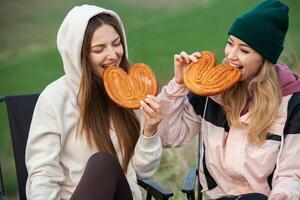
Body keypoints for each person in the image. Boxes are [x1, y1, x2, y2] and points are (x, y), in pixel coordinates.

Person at [157, 0, 300, 199]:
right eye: (230, 43)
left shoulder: (292, 103)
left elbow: (292, 173)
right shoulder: (212, 90)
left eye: (244, 50)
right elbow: (169, 137)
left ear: (264, 58)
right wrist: (179, 85)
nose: (231, 55)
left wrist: (283, 194)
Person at [25, 4, 164, 200]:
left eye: (117, 43)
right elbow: (43, 175)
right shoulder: (54, 98)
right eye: (99, 49)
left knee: (103, 163)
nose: (113, 54)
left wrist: (150, 130)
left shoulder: (130, 92)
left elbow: (142, 173)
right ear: (79, 54)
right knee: (102, 163)